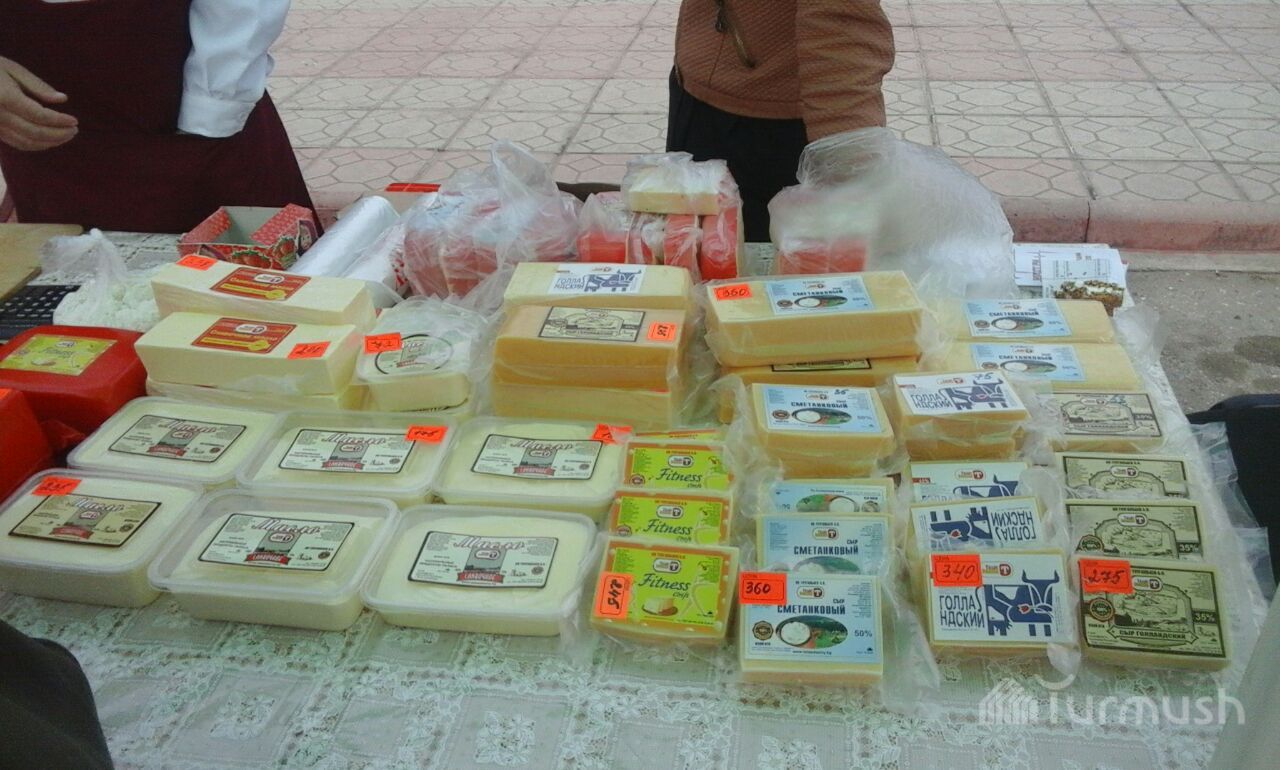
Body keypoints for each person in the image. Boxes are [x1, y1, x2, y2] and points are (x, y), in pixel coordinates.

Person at [0, 0, 314, 234]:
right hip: (36, 132)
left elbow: (243, 15)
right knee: (65, 291)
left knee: (250, 291)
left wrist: (210, 115)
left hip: (196, 119)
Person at [667, 0, 895, 242]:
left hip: (780, 128)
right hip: (702, 86)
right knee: (687, 248)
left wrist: (850, 155)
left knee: (769, 258)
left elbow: (841, 21)